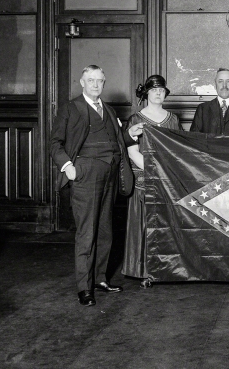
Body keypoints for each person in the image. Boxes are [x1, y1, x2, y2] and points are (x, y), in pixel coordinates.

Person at [50, 65, 144, 307]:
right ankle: (84, 287)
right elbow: (55, 144)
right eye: (90, 80)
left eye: (99, 81)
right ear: (82, 82)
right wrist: (68, 167)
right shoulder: (70, 109)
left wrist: (130, 134)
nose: (95, 84)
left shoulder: (109, 111)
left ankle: (100, 279)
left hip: (110, 175)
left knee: (105, 230)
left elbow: (116, 142)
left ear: (104, 83)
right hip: (85, 174)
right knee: (86, 233)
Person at [122, 75, 181, 288]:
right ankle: (144, 270)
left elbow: (178, 151)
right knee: (145, 225)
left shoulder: (172, 119)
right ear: (146, 93)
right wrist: (152, 169)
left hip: (166, 179)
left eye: (161, 90)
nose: (158, 93)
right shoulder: (136, 119)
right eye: (154, 89)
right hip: (144, 179)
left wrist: (166, 171)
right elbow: (132, 151)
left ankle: (168, 268)